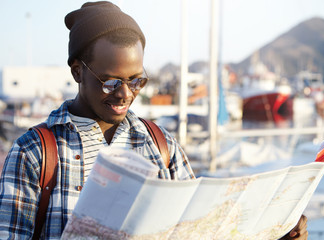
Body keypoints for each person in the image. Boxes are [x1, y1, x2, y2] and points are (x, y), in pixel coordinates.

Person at [0, 1, 307, 239]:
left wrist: (277, 233)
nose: (124, 94)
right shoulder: (35, 152)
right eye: (110, 82)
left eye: (136, 81)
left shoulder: (161, 144)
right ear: (77, 71)